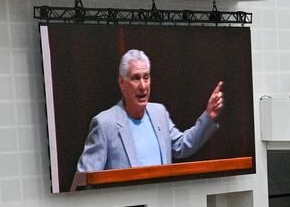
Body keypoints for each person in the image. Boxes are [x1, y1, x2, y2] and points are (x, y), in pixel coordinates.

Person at [76, 49, 223, 173]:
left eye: (146, 77)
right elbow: (86, 178)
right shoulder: (104, 124)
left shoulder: (159, 113)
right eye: (136, 78)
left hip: (161, 203)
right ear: (122, 83)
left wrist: (208, 116)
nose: (143, 86)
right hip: (127, 206)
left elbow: (182, 146)